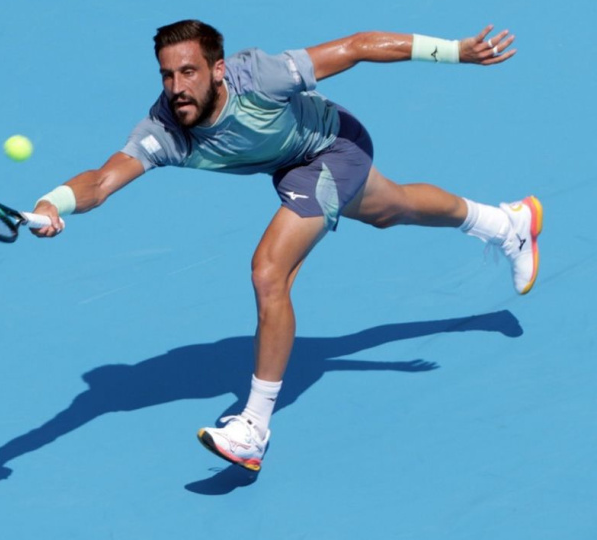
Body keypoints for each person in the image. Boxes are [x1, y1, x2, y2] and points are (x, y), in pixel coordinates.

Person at [29, 20, 542, 471]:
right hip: (291, 165)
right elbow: (100, 181)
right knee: (394, 210)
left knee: (269, 271)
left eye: (188, 72)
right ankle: (507, 223)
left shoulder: (261, 77)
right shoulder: (164, 130)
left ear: (219, 70)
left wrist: (455, 51)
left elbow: (358, 45)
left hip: (335, 145)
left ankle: (253, 427)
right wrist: (55, 203)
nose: (177, 88)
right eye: (167, 75)